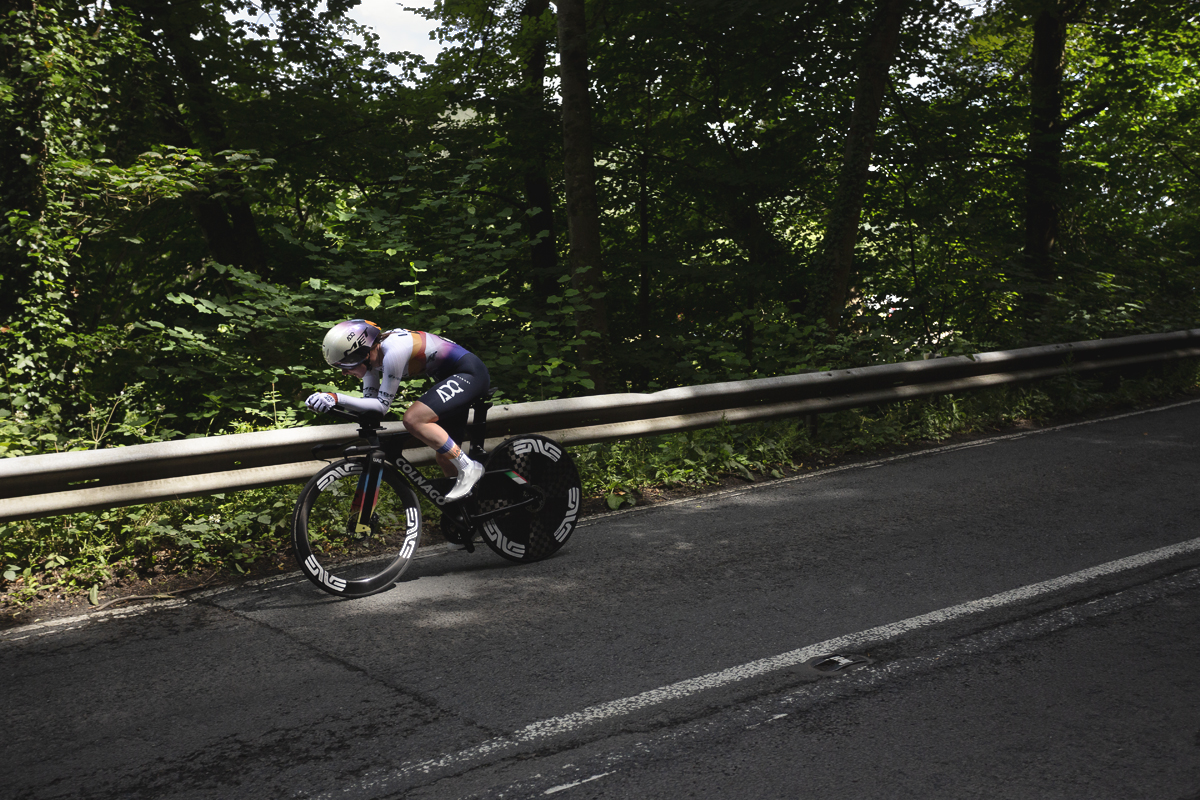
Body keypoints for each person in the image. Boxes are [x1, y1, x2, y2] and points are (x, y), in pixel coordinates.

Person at [305, 319, 489, 501]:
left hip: (469, 373)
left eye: (345, 365)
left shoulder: (393, 351)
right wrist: (332, 402)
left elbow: (381, 407)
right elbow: (370, 405)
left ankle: (469, 468)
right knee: (445, 458)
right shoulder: (372, 358)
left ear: (362, 354)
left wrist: (336, 397)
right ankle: (469, 509)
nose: (344, 372)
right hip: (448, 378)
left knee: (414, 419)